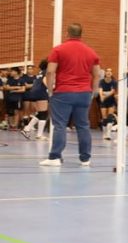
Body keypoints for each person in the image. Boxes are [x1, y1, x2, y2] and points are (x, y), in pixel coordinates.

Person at [40, 23, 101, 167]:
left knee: (60, 125)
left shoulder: (58, 50)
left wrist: (50, 90)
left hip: (64, 93)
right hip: (84, 93)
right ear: (81, 34)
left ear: (67, 34)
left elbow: (50, 72)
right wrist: (93, 92)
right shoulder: (91, 52)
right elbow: (97, 75)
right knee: (83, 126)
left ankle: (55, 157)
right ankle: (85, 159)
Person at [20, 59, 49, 141]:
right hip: (41, 92)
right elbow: (45, 81)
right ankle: (39, 135)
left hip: (35, 92)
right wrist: (52, 89)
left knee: (41, 113)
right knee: (43, 113)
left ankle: (27, 129)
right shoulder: (46, 71)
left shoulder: (41, 72)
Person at [98, 68, 118, 139]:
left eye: (110, 71)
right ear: (105, 73)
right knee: (104, 118)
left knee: (110, 117)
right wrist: (101, 96)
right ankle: (104, 133)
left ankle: (108, 134)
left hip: (111, 101)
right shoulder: (101, 81)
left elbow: (112, 92)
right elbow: (100, 90)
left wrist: (105, 95)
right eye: (107, 71)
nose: (108, 72)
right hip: (103, 101)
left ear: (111, 73)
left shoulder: (114, 82)